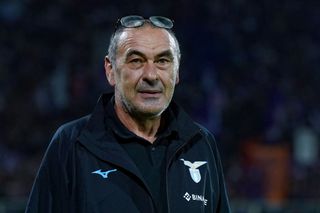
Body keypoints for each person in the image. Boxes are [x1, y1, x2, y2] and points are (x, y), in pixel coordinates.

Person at [25, 15, 231, 213]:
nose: (151, 75)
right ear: (110, 70)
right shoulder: (71, 144)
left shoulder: (201, 144)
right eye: (136, 61)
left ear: (176, 73)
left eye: (162, 61)